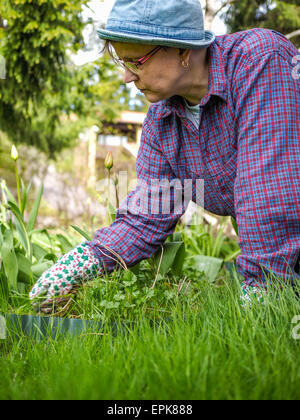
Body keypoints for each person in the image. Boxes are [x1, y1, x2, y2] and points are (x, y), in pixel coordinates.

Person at [29, 0, 300, 311]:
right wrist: (85, 261)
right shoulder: (163, 119)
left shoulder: (259, 61)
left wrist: (263, 285)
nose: (126, 78)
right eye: (123, 63)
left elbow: (267, 191)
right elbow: (146, 216)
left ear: (183, 50)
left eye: (136, 62)